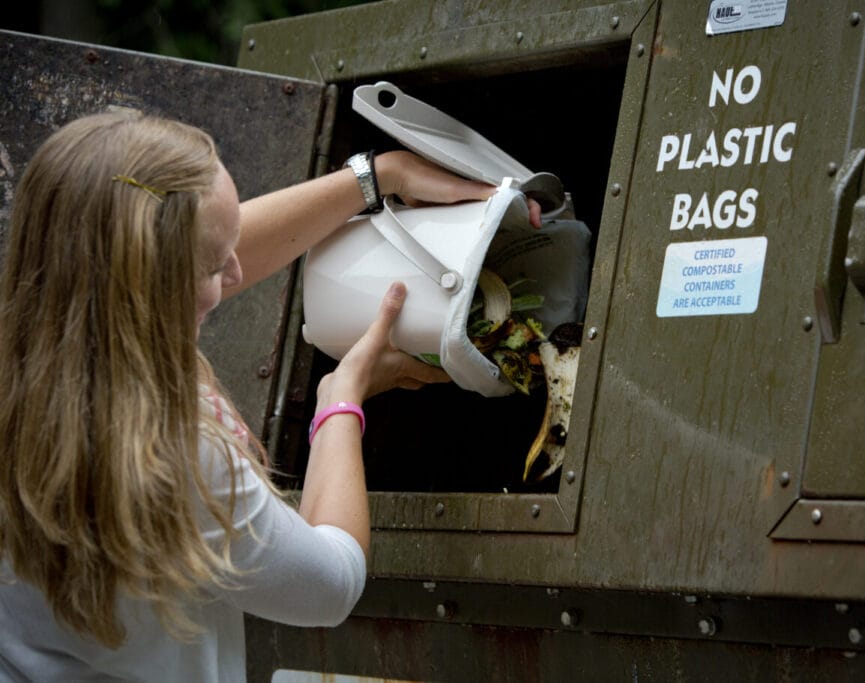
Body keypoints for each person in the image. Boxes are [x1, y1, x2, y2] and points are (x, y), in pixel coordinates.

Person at [0, 109, 515, 681]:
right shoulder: (172, 453)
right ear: (150, 279)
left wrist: (378, 177)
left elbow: (198, 239)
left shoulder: (38, 349)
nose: (239, 271)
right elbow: (331, 585)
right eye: (216, 266)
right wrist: (340, 399)